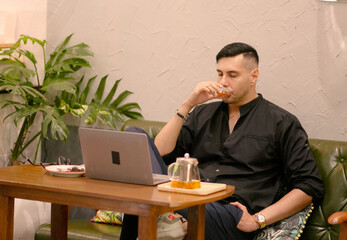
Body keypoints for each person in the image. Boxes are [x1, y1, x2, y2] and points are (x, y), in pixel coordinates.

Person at [120, 42, 324, 240]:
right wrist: (188, 105)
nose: (223, 82)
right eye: (220, 74)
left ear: (254, 76)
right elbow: (161, 155)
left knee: (155, 205)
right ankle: (169, 220)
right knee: (135, 134)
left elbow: (308, 185)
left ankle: (168, 220)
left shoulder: (281, 122)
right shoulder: (202, 114)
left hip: (230, 213)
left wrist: (257, 220)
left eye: (232, 75)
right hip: (186, 198)